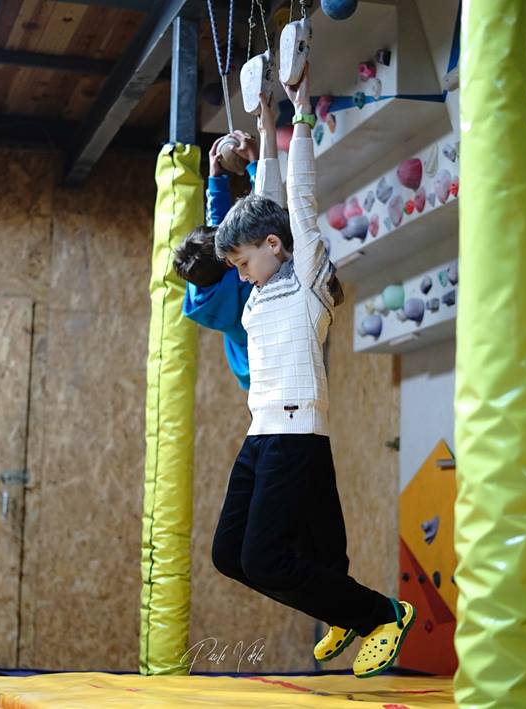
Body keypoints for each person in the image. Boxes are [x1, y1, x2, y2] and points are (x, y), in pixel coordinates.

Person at [210, 62, 416, 678]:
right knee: (230, 554)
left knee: (268, 558)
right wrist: (265, 116)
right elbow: (268, 201)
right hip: (263, 435)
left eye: (243, 261)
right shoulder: (258, 290)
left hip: (295, 433)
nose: (240, 273)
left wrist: (299, 114)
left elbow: (295, 200)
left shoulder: (303, 281)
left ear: (275, 249)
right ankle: (342, 605)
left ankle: (378, 613)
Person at [173, 106, 284, 390]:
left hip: (244, 367)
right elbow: (262, 218)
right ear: (230, 262)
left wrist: (216, 178)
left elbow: (217, 227)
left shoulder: (199, 284)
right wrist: (254, 164)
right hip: (267, 366)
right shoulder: (245, 279)